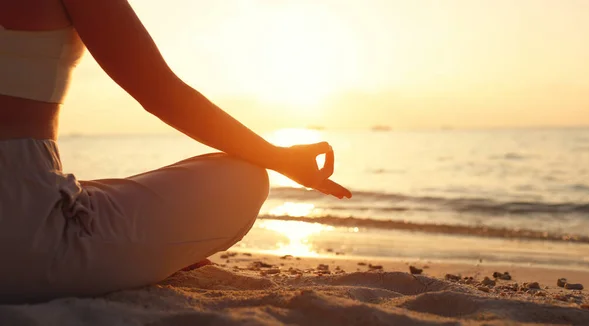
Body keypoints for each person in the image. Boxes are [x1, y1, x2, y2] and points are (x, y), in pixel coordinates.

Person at [0, 0, 351, 303]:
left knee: (88, 193)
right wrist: (279, 158)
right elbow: (161, 93)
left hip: (25, 209)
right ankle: (157, 255)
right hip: (27, 243)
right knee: (243, 180)